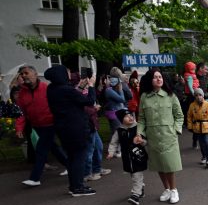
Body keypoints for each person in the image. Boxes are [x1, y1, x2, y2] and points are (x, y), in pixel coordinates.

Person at [44, 64, 97, 196]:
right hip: (76, 128)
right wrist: (91, 85)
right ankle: (78, 187)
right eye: (66, 72)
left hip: (63, 128)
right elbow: (89, 101)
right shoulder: (66, 90)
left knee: (72, 157)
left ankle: (73, 186)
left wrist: (79, 87)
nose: (68, 74)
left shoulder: (52, 89)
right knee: (79, 157)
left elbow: (72, 99)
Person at [134, 68, 184, 204]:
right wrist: (139, 133)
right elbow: (142, 118)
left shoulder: (170, 95)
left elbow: (179, 116)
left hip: (168, 136)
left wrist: (175, 130)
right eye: (155, 77)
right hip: (153, 136)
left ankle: (174, 190)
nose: (159, 79)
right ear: (150, 80)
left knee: (169, 164)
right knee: (159, 165)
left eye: (160, 77)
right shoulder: (144, 97)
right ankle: (166, 189)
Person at [15, 65, 68, 186]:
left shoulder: (46, 88)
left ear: (34, 74)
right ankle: (70, 165)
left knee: (41, 148)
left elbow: (57, 104)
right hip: (37, 126)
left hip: (51, 123)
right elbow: (21, 112)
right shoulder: (22, 93)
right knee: (53, 147)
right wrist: (19, 127)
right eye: (22, 74)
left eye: (26, 73)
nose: (23, 76)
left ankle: (35, 178)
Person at [107, 109, 148, 205]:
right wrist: (111, 152)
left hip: (138, 157)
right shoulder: (119, 131)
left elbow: (146, 141)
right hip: (127, 158)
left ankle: (135, 195)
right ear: (121, 119)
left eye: (131, 115)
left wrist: (142, 141)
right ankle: (140, 189)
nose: (130, 117)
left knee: (136, 175)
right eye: (126, 116)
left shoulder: (138, 128)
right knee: (133, 175)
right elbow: (114, 142)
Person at [187, 87, 208, 168]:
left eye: (200, 95)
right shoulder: (192, 105)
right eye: (196, 95)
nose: (198, 97)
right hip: (197, 127)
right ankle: (203, 156)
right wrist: (190, 126)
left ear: (203, 95)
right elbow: (189, 116)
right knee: (201, 143)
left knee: (206, 143)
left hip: (206, 127)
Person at [104, 67, 133, 145]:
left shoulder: (111, 87)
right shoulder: (109, 90)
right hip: (114, 113)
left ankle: (117, 150)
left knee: (118, 132)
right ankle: (116, 151)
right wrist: (121, 89)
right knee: (117, 133)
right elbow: (122, 99)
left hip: (118, 112)